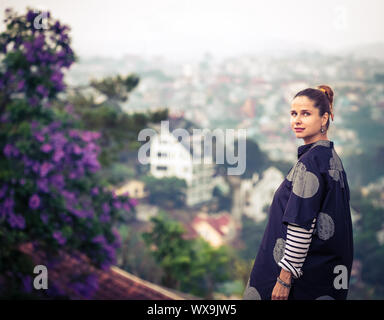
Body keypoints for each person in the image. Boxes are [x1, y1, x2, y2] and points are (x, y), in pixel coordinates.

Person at [243, 85, 353, 300]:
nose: (297, 120)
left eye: (306, 114)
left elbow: (301, 226)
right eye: (294, 114)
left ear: (324, 119)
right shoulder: (331, 159)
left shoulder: (310, 163)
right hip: (324, 280)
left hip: (296, 283)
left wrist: (284, 280)